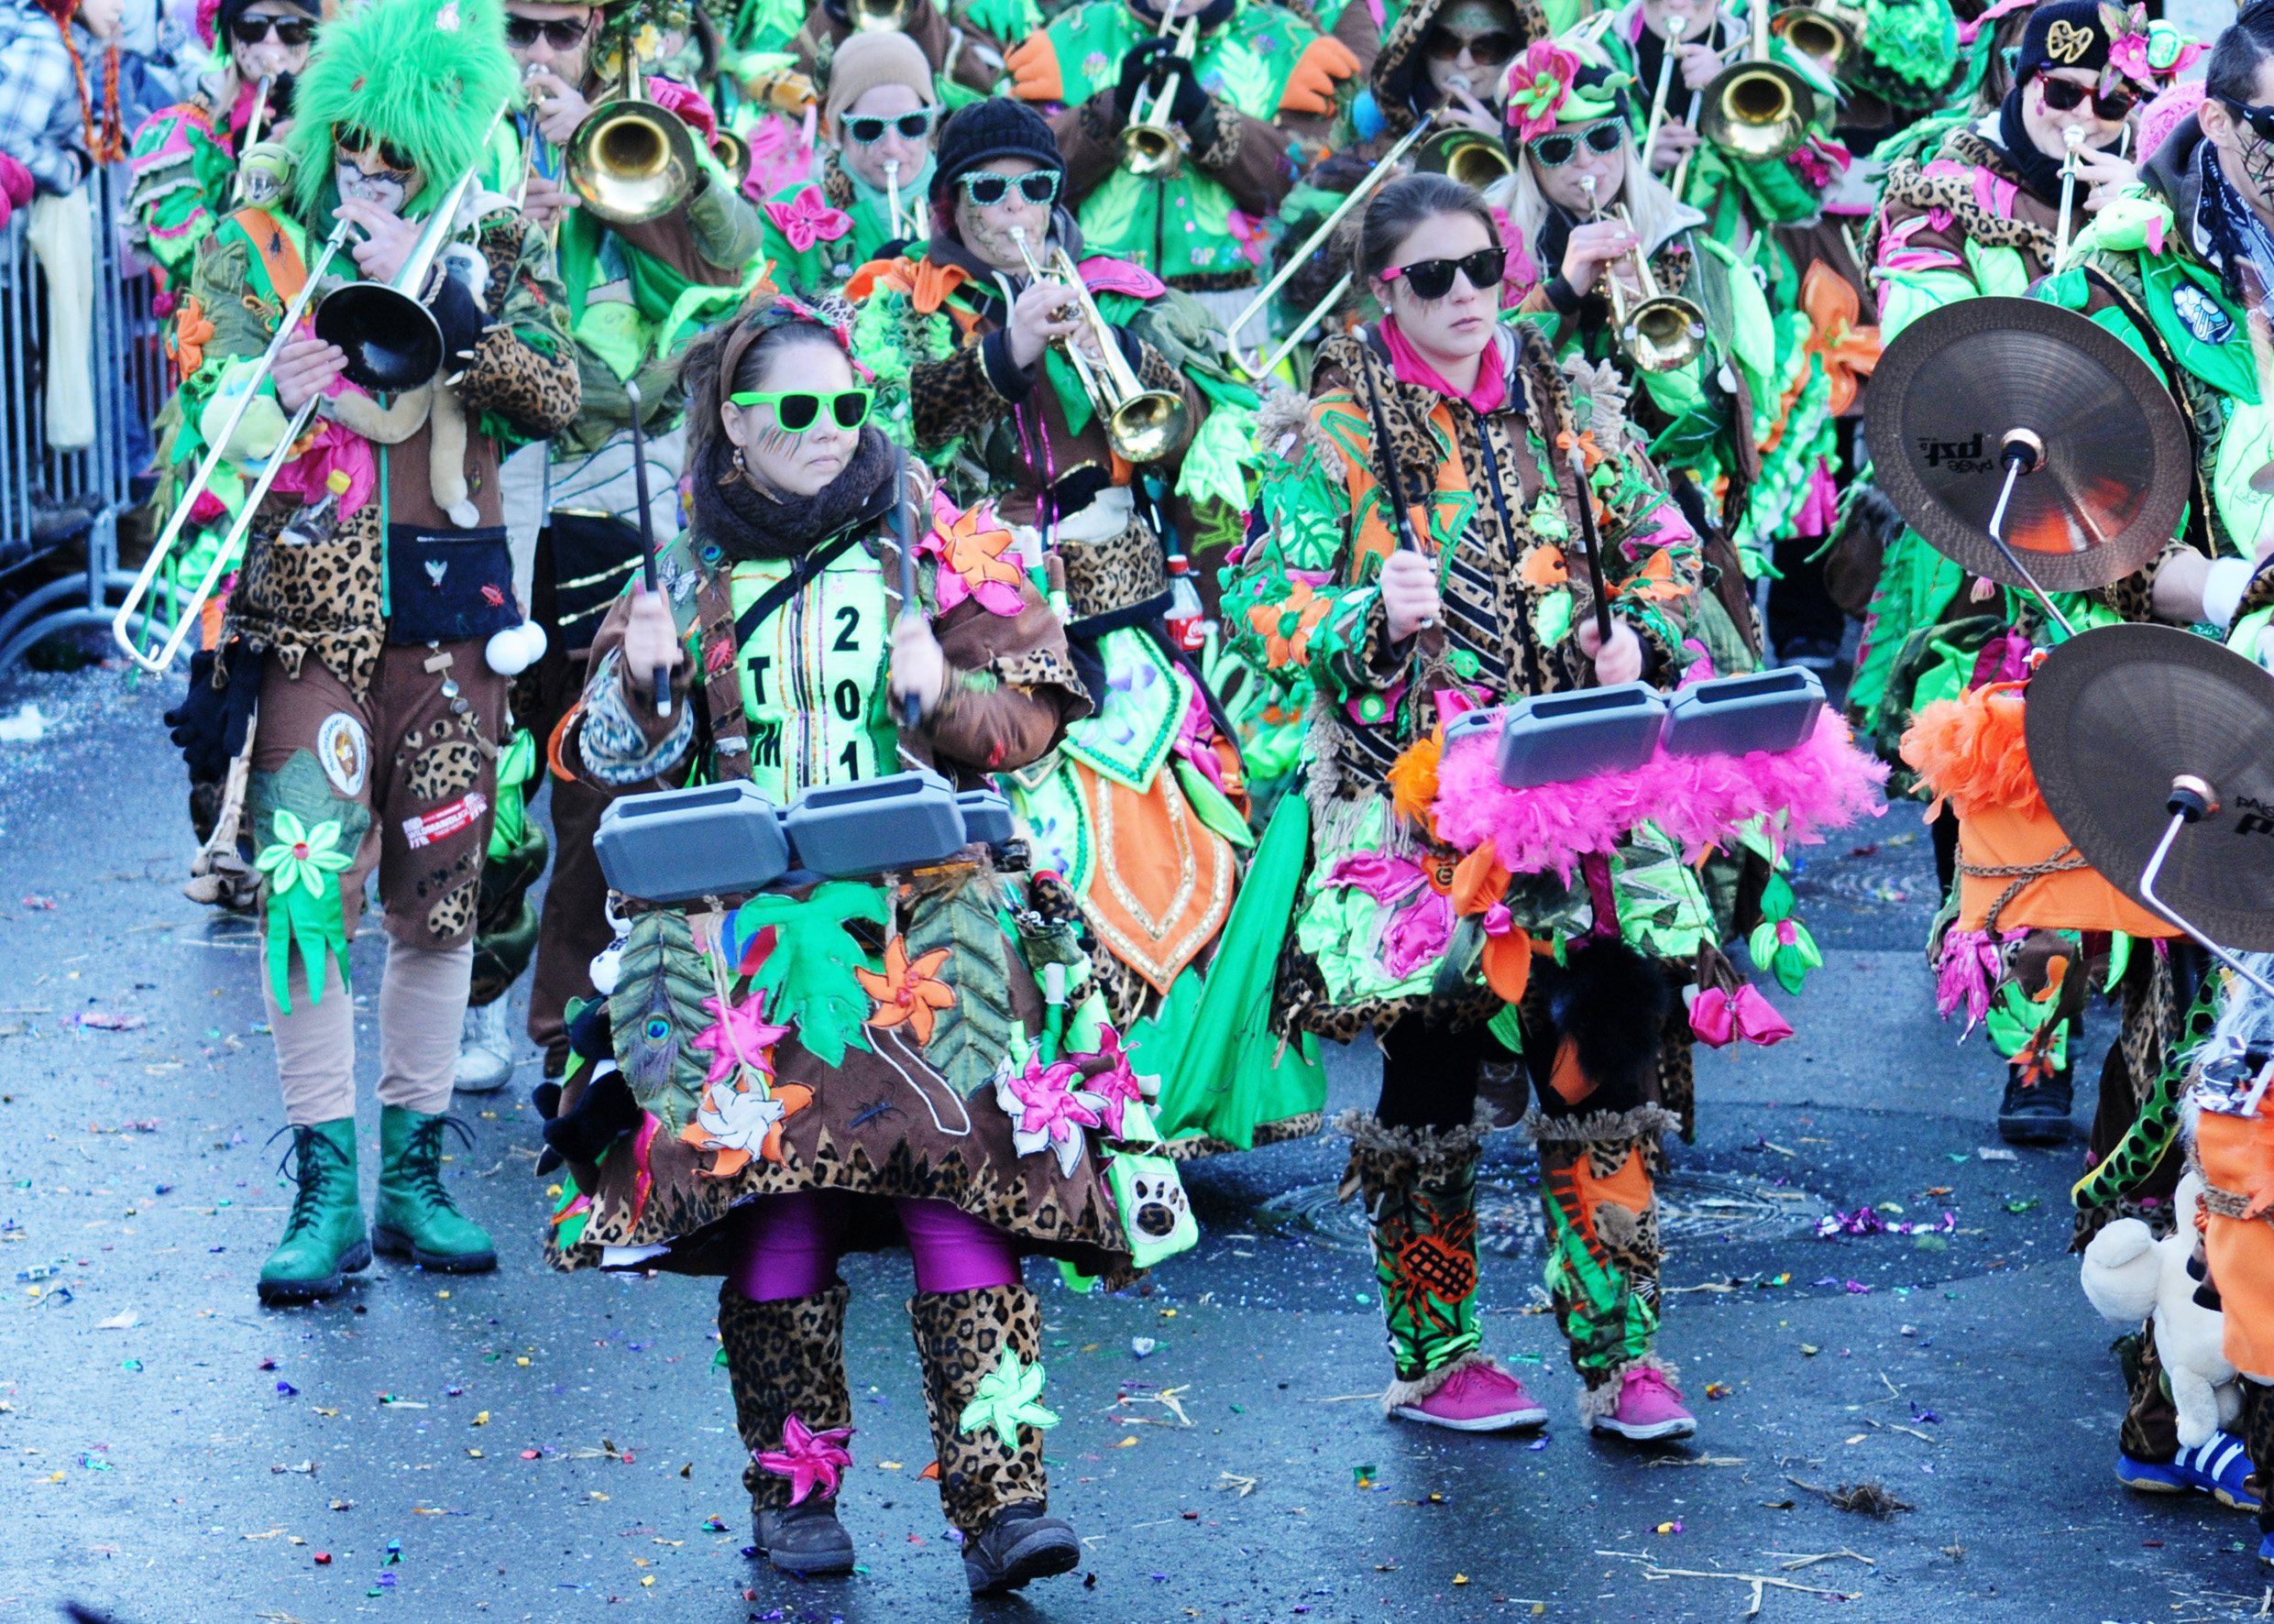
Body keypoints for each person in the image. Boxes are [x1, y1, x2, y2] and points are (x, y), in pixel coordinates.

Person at [547, 292, 1177, 1596]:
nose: (832, 428)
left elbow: (1030, 723)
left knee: (965, 1182)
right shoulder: (679, 568)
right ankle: (796, 1496)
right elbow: (609, 765)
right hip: (748, 941)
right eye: (798, 408)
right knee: (780, 1197)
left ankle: (1003, 1503)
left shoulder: (929, 538)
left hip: (925, 925)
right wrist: (646, 686)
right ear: (734, 424)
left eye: (847, 404)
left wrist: (944, 693)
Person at [1232, 171, 1713, 1441]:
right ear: (1381, 291)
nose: (1465, 297)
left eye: (1483, 268)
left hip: (1576, 791)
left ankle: (1624, 1359)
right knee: (1431, 1077)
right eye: (1432, 277)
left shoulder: (1562, 399)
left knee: (1601, 1064)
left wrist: (1640, 632)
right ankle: (1436, 1356)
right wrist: (1362, 617)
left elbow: (1666, 542)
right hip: (1417, 809)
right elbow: (1257, 601)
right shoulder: (1334, 438)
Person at [164, 0, 581, 1303]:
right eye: (353, 155)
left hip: (455, 624)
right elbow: (199, 408)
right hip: (308, 616)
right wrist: (267, 394)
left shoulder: (500, 242)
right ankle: (323, 1186)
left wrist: (441, 285)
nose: (370, 180)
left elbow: (555, 395)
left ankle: (412, 1175)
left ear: (439, 157)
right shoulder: (258, 244)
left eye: (397, 163)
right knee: (302, 894)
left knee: (441, 893)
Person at [845, 98, 1324, 1154]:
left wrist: (1147, 371)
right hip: (986, 620)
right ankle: (1048, 1097)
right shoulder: (898, 298)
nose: (1016, 207)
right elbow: (880, 431)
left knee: (1182, 824)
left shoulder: (1114, 290)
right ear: (949, 202)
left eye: (1037, 186)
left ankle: (1178, 1089)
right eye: (990, 190)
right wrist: (1002, 354)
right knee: (1037, 843)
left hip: (1122, 607)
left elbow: (1192, 437)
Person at [1853, 0, 2181, 1147]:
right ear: (2018, 77)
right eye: (2062, 93)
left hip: (2127, 519)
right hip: (1977, 521)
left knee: (2115, 763)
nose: (2085, 117)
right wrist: (2084, 275)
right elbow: (1933, 362)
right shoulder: (1941, 187)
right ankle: (2032, 1039)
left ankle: (2117, 999)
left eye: (2112, 100)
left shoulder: (2157, 185)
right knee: (1993, 769)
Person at [486, 0, 767, 1092]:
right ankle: (474, 986)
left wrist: (599, 166)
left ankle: (573, 1022)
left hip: (612, 495)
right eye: (520, 30)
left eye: (561, 33)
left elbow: (732, 257)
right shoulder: (455, 130)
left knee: (598, 773)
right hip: (485, 486)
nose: (540, 55)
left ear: (595, 33)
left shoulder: (640, 126)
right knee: (476, 766)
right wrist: (499, 221)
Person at [1005, 0, 1357, 338]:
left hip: (1240, 321)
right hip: (1094, 313)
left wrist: (1207, 120)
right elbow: (1018, 185)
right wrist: (1109, 113)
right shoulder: (1068, 39)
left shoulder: (1289, 45)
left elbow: (1317, 189)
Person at [755, 27, 938, 290]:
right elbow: (766, 307)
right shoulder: (785, 216)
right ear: (840, 131)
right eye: (868, 129)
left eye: (911, 124)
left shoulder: (972, 204)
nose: (892, 147)